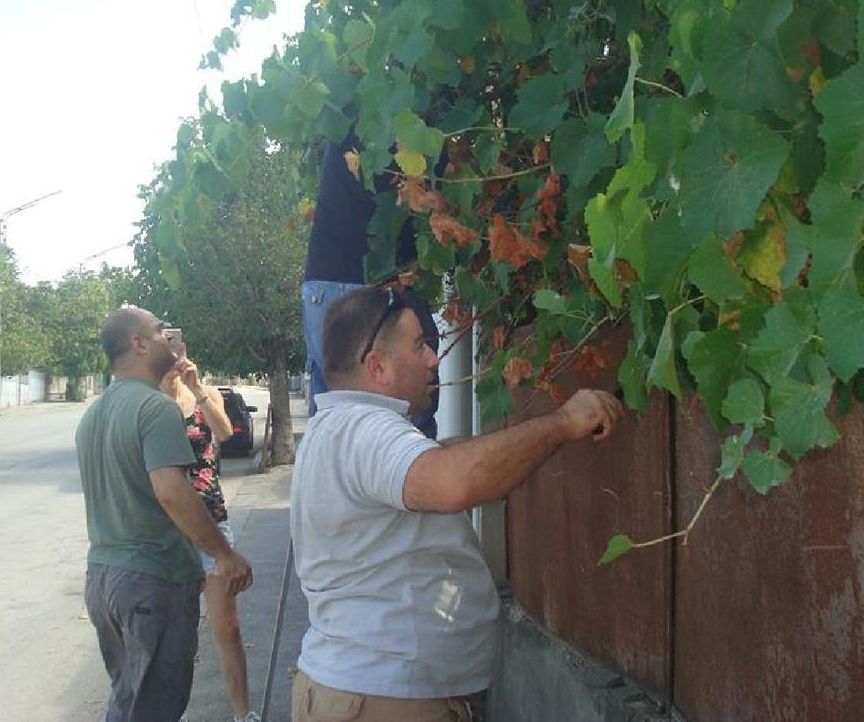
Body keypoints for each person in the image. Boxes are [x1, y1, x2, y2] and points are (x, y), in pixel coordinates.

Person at [289, 286, 624, 721]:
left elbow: (445, 457)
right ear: (378, 366)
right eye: (420, 346)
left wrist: (532, 440)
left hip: (363, 693)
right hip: (384, 702)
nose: (434, 358)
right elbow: (453, 481)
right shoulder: (366, 430)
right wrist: (562, 423)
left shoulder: (334, 428)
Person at [76, 307, 253, 722]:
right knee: (155, 706)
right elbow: (172, 493)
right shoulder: (155, 409)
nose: (167, 339)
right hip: (151, 580)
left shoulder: (94, 415)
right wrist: (225, 556)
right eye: (158, 331)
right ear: (137, 343)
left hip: (104, 578)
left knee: (127, 698)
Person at [302, 131, 440, 437]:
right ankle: (411, 480)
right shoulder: (403, 123)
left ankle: (339, 484)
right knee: (406, 407)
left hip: (322, 284)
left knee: (335, 418)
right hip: (371, 282)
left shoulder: (353, 116)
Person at [160, 349, 261, 722]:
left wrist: (195, 386)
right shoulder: (150, 401)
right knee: (174, 631)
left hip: (212, 520)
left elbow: (223, 433)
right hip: (168, 527)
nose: (172, 357)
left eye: (177, 349)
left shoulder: (203, 393)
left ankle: (243, 714)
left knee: (227, 627)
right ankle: (173, 712)